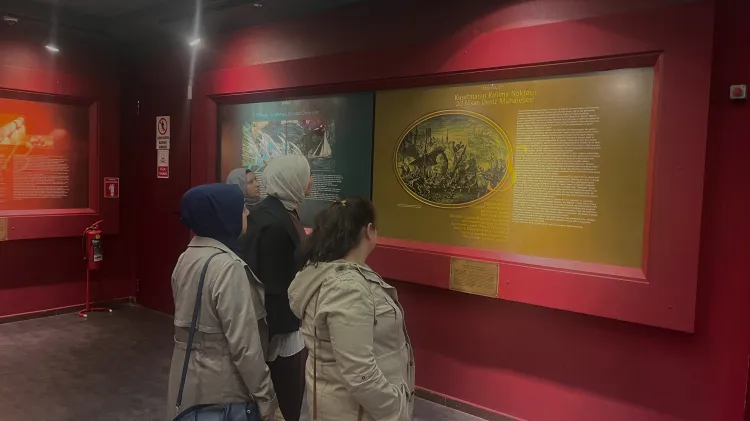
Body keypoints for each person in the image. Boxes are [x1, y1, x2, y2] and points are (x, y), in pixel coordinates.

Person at [288, 197, 415, 421]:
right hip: (356, 411)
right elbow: (360, 372)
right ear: (369, 230)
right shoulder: (347, 288)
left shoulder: (333, 274)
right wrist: (395, 410)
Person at [166, 183, 277, 421]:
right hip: (223, 390)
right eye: (241, 207)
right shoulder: (228, 268)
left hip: (187, 382)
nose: (247, 212)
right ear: (224, 215)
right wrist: (267, 400)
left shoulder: (186, 257)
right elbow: (245, 347)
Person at [241, 154, 312, 421]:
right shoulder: (270, 221)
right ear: (291, 180)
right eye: (306, 175)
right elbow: (267, 281)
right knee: (283, 399)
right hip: (278, 330)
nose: (310, 181)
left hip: (286, 323)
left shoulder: (283, 211)